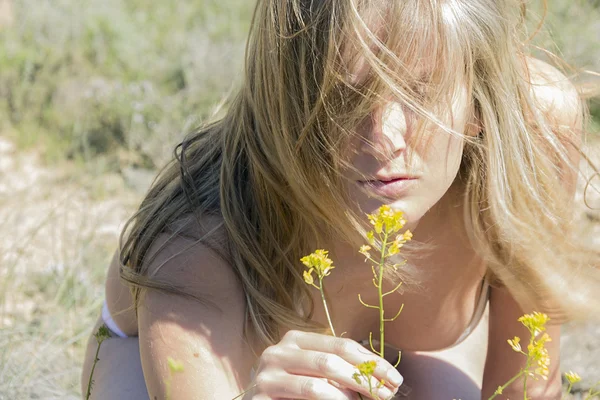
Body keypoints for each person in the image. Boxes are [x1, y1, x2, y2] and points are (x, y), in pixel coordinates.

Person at [81, 0, 600, 399]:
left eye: (421, 92)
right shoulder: (198, 238)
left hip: (406, 361)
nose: (385, 139)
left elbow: (527, 387)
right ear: (287, 100)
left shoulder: (529, 131)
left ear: (478, 96)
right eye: (345, 97)